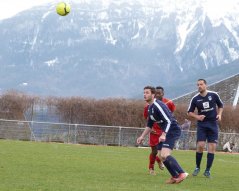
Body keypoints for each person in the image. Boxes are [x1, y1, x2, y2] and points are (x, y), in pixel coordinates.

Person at [137, 86, 188, 184]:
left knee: (165, 154)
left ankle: (182, 173)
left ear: (153, 94)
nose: (144, 94)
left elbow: (168, 121)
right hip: (166, 131)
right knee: (160, 156)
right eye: (144, 92)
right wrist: (142, 136)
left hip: (172, 130)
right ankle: (174, 176)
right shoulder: (150, 108)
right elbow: (149, 125)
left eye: (147, 92)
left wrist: (164, 134)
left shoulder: (158, 105)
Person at [188, 79, 223, 178]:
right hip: (202, 125)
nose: (199, 86)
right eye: (198, 85)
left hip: (213, 124)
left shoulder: (214, 95)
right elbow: (189, 112)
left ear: (205, 85)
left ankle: (207, 170)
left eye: (201, 84)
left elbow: (220, 105)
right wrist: (197, 117)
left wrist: (219, 115)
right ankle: (197, 167)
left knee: (212, 148)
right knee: (200, 145)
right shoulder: (195, 99)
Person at [143, 86, 175, 175]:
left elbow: (171, 116)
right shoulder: (149, 106)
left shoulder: (169, 103)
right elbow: (147, 118)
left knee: (163, 153)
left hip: (164, 130)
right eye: (156, 93)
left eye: (159, 93)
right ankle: (151, 168)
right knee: (154, 151)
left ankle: (159, 160)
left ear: (163, 94)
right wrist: (151, 129)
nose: (157, 95)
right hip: (154, 131)